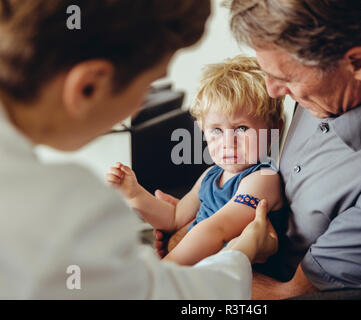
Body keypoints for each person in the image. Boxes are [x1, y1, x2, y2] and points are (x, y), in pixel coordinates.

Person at [156, 0, 361, 299]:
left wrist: (185, 250)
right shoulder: (329, 85)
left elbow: (289, 295)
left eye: (285, 79)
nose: (272, 91)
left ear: (359, 64)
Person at [0, 0, 278, 299]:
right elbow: (157, 290)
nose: (141, 105)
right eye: (148, 86)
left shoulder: (260, 178)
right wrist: (243, 250)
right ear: (89, 85)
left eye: (241, 129)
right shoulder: (69, 204)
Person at [106, 56, 288, 266]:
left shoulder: (263, 179)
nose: (228, 142)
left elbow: (216, 229)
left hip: (238, 277)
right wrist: (135, 194)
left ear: (275, 129)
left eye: (241, 128)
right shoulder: (210, 175)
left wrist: (166, 270)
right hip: (199, 267)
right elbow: (175, 217)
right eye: (217, 130)